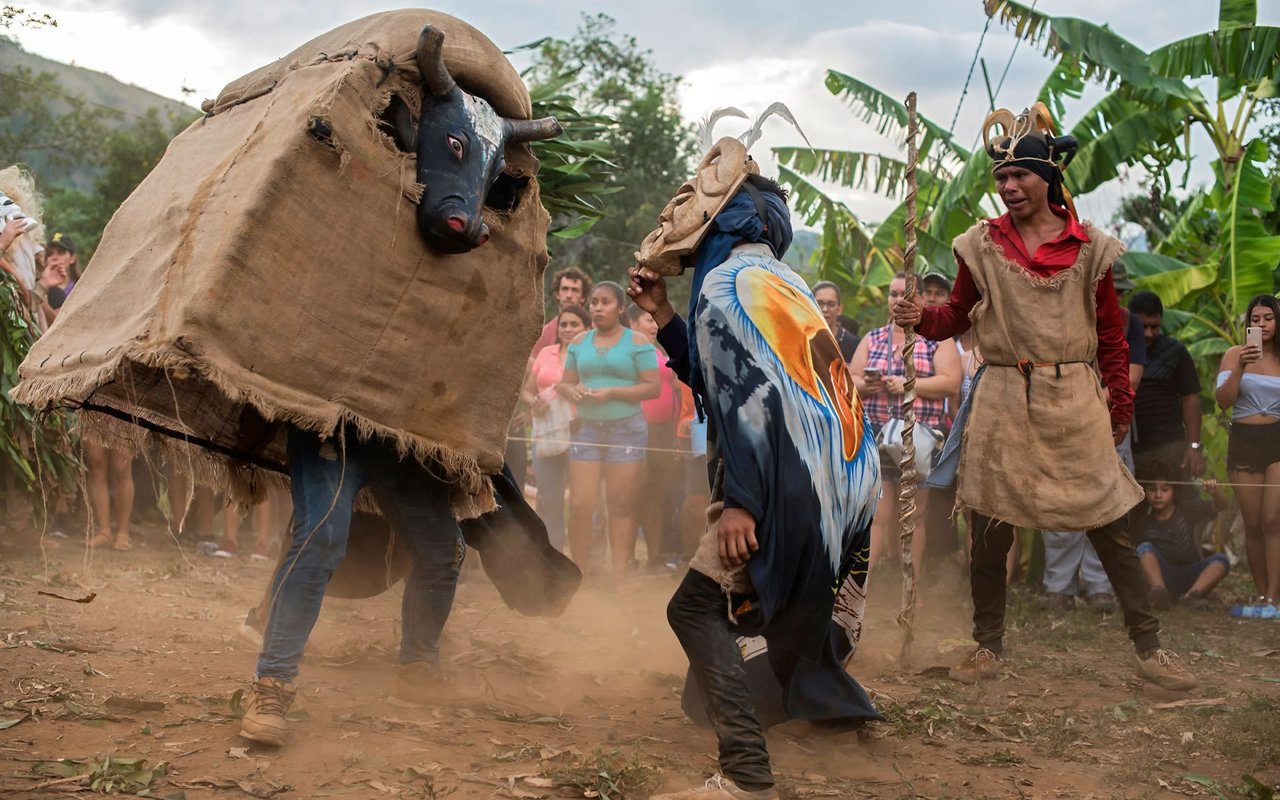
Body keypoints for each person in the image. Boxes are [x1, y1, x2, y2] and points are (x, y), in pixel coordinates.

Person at [893, 103, 1196, 691]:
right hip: (1002, 392)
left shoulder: (1093, 249)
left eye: (1019, 176)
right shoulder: (978, 246)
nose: (1008, 187)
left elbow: (1111, 334)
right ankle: (987, 647)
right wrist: (919, 317)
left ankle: (1149, 648)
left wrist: (1119, 406)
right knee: (988, 522)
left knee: (1107, 520)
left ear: (1048, 178)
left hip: (1074, 395)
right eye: (1000, 178)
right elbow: (956, 314)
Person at [629, 133, 881, 800]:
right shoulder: (783, 283)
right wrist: (661, 315)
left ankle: (746, 774)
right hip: (840, 486)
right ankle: (828, 710)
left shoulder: (721, 284)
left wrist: (741, 501)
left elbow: (743, 400)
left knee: (692, 610)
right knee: (701, 692)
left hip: (781, 483)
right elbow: (726, 383)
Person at [1037, 308, 1147, 612]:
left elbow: (1131, 376)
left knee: (1107, 504)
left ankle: (1100, 586)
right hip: (1064, 420)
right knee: (1061, 502)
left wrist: (1090, 396)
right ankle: (1059, 586)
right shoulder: (1063, 314)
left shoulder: (1128, 320)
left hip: (1106, 423)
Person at [851, 272, 960, 575]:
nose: (899, 300)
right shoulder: (873, 337)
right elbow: (851, 378)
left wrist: (909, 385)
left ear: (922, 299)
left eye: (907, 294)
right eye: (894, 293)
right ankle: (862, 586)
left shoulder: (938, 339)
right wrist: (866, 385)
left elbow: (951, 382)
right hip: (877, 436)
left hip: (920, 436)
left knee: (914, 514)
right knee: (878, 513)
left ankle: (909, 586)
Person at [557, 281, 660, 577]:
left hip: (626, 430)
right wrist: (571, 391)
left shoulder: (637, 342)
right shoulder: (579, 343)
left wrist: (612, 392)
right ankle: (578, 573)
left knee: (621, 504)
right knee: (579, 504)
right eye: (594, 303)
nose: (597, 308)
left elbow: (652, 388)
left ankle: (619, 577)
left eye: (605, 302)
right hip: (586, 429)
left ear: (620, 308)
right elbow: (563, 383)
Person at [1214, 294, 1280, 605]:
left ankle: (1274, 595)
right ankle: (1263, 593)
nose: (1262, 324)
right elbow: (1223, 401)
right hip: (1244, 439)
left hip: (1277, 440)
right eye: (1255, 319)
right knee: (1253, 523)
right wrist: (1241, 364)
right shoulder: (1234, 354)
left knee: (1272, 519)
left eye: (1268, 318)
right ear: (1247, 324)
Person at [522, 304, 589, 550]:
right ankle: (554, 558)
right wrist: (534, 402)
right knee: (549, 500)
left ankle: (587, 557)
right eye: (564, 324)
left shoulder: (591, 354)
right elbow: (528, 392)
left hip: (580, 432)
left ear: (587, 328)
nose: (568, 329)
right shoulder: (546, 353)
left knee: (582, 501)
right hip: (547, 434)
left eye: (575, 324)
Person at [627, 302, 684, 571]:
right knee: (631, 494)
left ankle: (654, 557)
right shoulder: (628, 351)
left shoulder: (661, 352)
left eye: (653, 320)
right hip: (635, 431)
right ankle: (625, 557)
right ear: (631, 324)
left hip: (663, 433)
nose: (653, 324)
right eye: (647, 320)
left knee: (656, 495)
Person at [1129, 291, 1205, 480]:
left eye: (1154, 327)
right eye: (1142, 327)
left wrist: (1193, 446)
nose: (1148, 333)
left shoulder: (1175, 351)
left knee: (1180, 505)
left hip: (1169, 447)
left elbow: (1190, 399)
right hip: (1126, 449)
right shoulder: (1116, 350)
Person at [1135, 477, 1230, 609]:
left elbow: (1221, 506)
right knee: (1143, 549)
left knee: (1221, 560)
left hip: (1193, 573)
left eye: (1165, 490)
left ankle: (1190, 598)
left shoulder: (1189, 511)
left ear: (1174, 491)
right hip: (1164, 577)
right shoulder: (1144, 522)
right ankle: (1161, 595)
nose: (1158, 495)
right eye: (1152, 490)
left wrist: (1216, 492)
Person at [532, 266, 592, 354]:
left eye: (575, 290)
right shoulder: (544, 333)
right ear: (557, 294)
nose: (569, 295)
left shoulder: (595, 329)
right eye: (565, 289)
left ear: (583, 297)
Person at [812, 281, 859, 363]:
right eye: (819, 303)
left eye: (831, 304)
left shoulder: (854, 345)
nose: (825, 309)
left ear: (839, 309)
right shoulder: (801, 339)